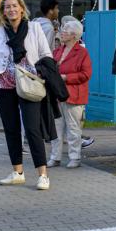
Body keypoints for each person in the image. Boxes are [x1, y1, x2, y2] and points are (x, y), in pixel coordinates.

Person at [0, 0, 54, 189]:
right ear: (3, 11)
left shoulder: (34, 28)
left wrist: (40, 72)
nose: (11, 9)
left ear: (22, 8)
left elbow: (46, 53)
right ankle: (17, 172)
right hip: (4, 83)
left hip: (29, 83)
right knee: (11, 129)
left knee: (32, 129)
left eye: (14, 6)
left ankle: (43, 175)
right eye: (7, 7)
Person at [50, 18, 92, 168]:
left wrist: (66, 77)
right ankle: (55, 157)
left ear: (74, 35)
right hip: (56, 94)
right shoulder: (57, 50)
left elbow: (86, 74)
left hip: (74, 94)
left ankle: (75, 158)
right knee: (56, 127)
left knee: (73, 128)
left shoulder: (82, 52)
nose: (62, 32)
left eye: (65, 30)